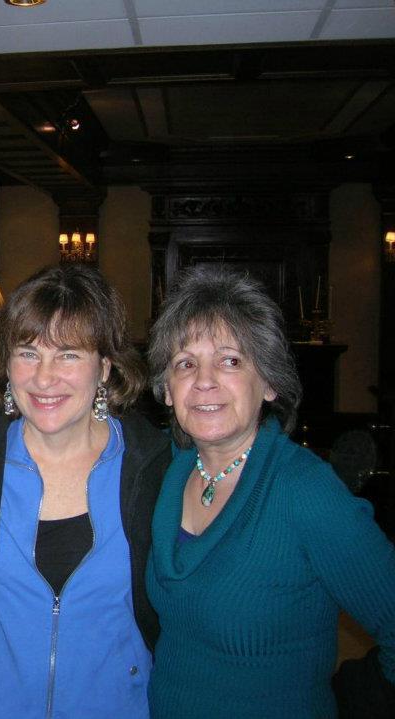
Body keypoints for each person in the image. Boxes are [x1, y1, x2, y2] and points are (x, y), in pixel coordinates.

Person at [145, 267, 395, 718]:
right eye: (185, 363)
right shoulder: (166, 469)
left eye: (230, 361)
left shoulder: (304, 490)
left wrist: (359, 699)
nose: (204, 380)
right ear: (167, 391)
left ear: (270, 383)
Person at [0, 264, 172, 718]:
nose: (44, 378)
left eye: (68, 355)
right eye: (28, 353)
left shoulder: (154, 468)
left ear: (104, 367)